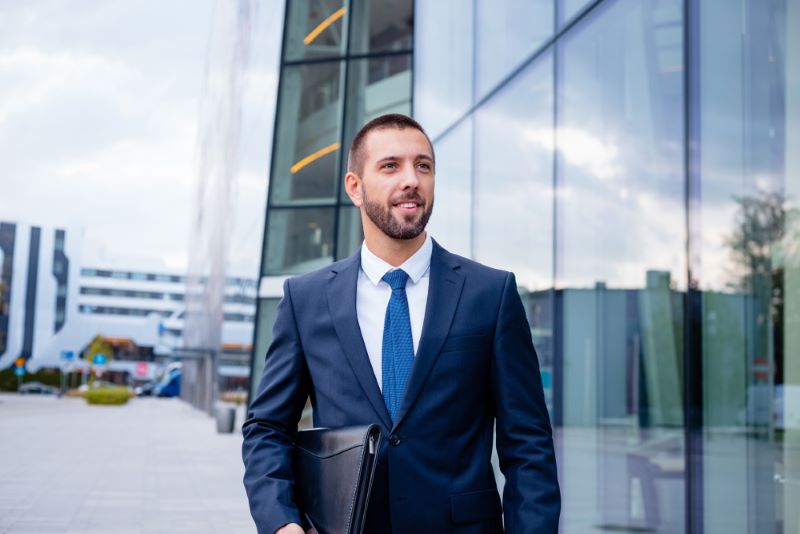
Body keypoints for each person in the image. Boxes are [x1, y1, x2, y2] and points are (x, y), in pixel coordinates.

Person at [242, 114, 560, 533]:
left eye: (423, 166)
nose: (411, 179)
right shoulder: (306, 299)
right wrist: (282, 523)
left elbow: (529, 446)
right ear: (355, 187)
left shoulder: (491, 294)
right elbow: (266, 428)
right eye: (390, 166)